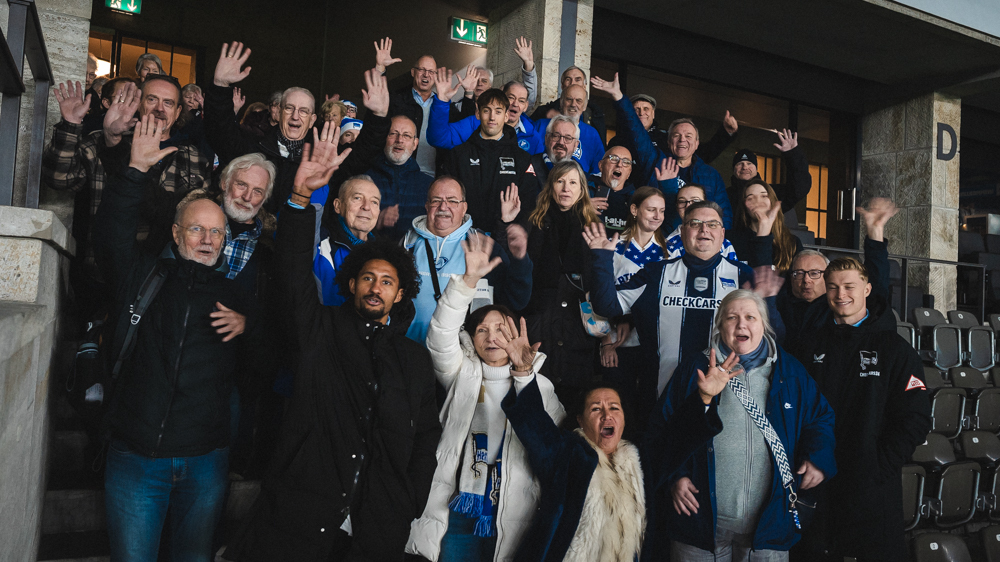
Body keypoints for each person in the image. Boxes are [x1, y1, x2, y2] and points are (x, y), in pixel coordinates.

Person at [226, 129, 442, 561]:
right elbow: (292, 275)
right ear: (351, 284)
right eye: (367, 278)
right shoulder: (319, 330)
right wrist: (300, 199)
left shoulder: (414, 360)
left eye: (387, 282)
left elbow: (425, 439)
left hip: (377, 527)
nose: (375, 287)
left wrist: (408, 500)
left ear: (400, 294)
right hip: (300, 517)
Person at [94, 115, 251, 561]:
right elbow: (111, 237)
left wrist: (251, 325)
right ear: (177, 233)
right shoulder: (143, 276)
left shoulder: (236, 296)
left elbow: (274, 350)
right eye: (197, 229)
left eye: (217, 231)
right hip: (136, 457)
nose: (208, 239)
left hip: (205, 462)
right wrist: (134, 172)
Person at [405, 237, 562, 562]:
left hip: (515, 511)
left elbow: (552, 450)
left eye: (501, 329)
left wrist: (524, 373)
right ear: (471, 339)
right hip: (457, 507)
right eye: (481, 330)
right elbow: (440, 336)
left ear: (516, 336)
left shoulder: (541, 386)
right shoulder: (461, 374)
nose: (492, 337)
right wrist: (467, 283)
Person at [648, 290, 836, 561]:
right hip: (699, 521)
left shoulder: (791, 371)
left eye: (750, 317)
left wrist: (818, 458)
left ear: (764, 325)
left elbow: (820, 418)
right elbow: (660, 430)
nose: (741, 325)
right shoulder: (694, 369)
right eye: (731, 318)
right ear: (719, 325)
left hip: (768, 525)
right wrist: (675, 476)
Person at [501, 369, 732, 561]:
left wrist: (704, 397)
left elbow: (677, 438)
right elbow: (536, 429)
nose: (606, 415)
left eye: (614, 408)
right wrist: (523, 374)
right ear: (580, 420)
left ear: (623, 418)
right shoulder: (566, 455)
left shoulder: (641, 460)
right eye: (596, 409)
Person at [790, 256, 930, 562]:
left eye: (849, 286)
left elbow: (915, 418)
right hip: (816, 481)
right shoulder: (809, 345)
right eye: (833, 287)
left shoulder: (896, 349)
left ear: (867, 289)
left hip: (871, 490)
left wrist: (877, 468)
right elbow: (795, 408)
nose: (840, 294)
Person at [585, 201, 769, 431]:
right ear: (682, 232)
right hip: (660, 401)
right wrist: (602, 259)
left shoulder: (743, 276)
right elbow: (607, 306)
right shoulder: (656, 273)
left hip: (725, 404)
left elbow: (770, 335)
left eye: (712, 224)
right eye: (695, 223)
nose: (704, 230)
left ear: (722, 234)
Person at [45, 77, 211, 317]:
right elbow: (59, 180)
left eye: (168, 103)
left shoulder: (194, 158)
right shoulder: (103, 139)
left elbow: (190, 219)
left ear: (177, 113)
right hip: (100, 277)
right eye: (152, 99)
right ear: (139, 104)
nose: (159, 108)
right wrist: (71, 125)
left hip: (161, 282)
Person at [206, 42, 390, 212]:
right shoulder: (253, 146)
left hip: (302, 235)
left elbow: (364, 154)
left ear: (312, 120)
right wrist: (220, 86)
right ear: (279, 113)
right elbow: (219, 132)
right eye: (289, 108)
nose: (295, 116)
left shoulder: (325, 157)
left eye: (303, 111)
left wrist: (379, 116)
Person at [591, 73, 733, 229]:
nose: (682, 140)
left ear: (697, 143)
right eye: (676, 136)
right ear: (668, 142)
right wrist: (619, 97)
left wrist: (719, 238)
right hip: (661, 236)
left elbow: (724, 214)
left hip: (700, 238)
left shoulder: (711, 175)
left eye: (688, 136)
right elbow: (637, 132)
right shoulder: (656, 161)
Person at [402, 177, 532, 343]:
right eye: (436, 200)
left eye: (452, 201)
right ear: (427, 206)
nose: (443, 207)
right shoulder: (407, 244)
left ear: (464, 208)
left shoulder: (482, 245)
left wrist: (520, 259)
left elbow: (516, 300)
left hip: (464, 352)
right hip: (409, 347)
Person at [523, 161, 600, 405]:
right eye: (560, 181)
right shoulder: (533, 222)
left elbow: (597, 281)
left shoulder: (594, 228)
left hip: (578, 324)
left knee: (573, 397)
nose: (566, 188)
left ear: (581, 189)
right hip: (541, 320)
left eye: (573, 182)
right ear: (551, 186)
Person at [780, 198, 895, 359]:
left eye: (814, 273)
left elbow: (876, 286)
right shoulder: (781, 306)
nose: (806, 280)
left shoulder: (838, 306)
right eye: (799, 273)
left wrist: (875, 232)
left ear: (827, 278)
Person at [599, 186, 666, 440]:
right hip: (618, 346)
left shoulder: (668, 252)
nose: (657, 216)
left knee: (648, 414)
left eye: (662, 211)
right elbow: (598, 296)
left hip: (654, 347)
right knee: (619, 412)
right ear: (635, 210)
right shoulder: (613, 246)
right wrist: (606, 341)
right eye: (651, 209)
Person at [445, 88, 538, 232]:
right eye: (486, 110)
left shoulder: (522, 158)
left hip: (504, 236)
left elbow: (529, 204)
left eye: (498, 112)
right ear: (478, 113)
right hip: (464, 235)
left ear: (506, 116)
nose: (492, 117)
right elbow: (447, 197)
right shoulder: (458, 154)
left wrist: (512, 230)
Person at [428, 69, 543, 154]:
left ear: (525, 106)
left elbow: (537, 174)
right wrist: (442, 102)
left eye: (521, 101)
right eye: (511, 98)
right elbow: (439, 139)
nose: (515, 104)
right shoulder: (476, 122)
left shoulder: (533, 136)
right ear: (502, 99)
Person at [608, 93, 740, 165]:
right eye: (636, 109)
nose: (642, 113)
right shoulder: (618, 141)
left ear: (653, 114)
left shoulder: (667, 138)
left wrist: (726, 133)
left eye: (646, 109)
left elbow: (704, 153)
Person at [314, 175, 382, 306]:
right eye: (357, 198)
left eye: (374, 202)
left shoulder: (386, 254)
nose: (366, 207)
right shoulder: (319, 243)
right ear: (338, 206)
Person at [368, 115, 433, 240]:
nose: (399, 140)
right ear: (384, 138)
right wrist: (376, 221)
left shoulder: (429, 185)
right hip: (373, 249)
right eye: (393, 134)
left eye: (406, 135)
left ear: (415, 144)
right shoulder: (365, 179)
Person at [380, 38, 439, 177]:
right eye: (422, 70)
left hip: (432, 176)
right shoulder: (396, 100)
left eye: (431, 71)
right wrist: (380, 69)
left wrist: (468, 93)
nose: (426, 75)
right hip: (398, 173)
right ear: (413, 72)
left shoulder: (443, 106)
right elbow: (378, 103)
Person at [728, 136, 811, 226]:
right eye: (740, 164)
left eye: (749, 163)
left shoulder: (771, 192)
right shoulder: (725, 195)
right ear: (734, 169)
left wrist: (792, 155)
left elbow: (799, 188)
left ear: (756, 168)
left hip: (766, 235)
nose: (745, 167)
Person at [730, 180, 803, 271]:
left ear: (772, 201)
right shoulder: (732, 240)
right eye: (750, 198)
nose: (758, 201)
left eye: (764, 196)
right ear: (744, 207)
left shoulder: (792, 243)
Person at [533, 84, 605, 174]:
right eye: (569, 99)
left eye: (578, 101)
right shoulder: (540, 125)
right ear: (561, 102)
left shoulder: (592, 134)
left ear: (584, 106)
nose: (573, 104)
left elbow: (598, 171)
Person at [530, 65, 607, 143]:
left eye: (577, 79)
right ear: (562, 85)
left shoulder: (595, 113)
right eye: (568, 79)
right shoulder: (544, 113)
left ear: (584, 86)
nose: (572, 83)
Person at [664, 184, 738, 261]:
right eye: (682, 201)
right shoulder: (668, 245)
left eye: (695, 201)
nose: (688, 206)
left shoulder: (725, 244)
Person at [587, 146, 635, 235]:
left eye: (626, 162)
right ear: (601, 165)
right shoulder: (584, 190)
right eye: (613, 158)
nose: (619, 164)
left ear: (629, 173)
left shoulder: (636, 199)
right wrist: (582, 207)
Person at [528, 115, 580, 187]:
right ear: (546, 139)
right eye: (556, 136)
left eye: (568, 138)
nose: (561, 142)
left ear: (576, 145)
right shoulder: (529, 164)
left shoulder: (579, 173)